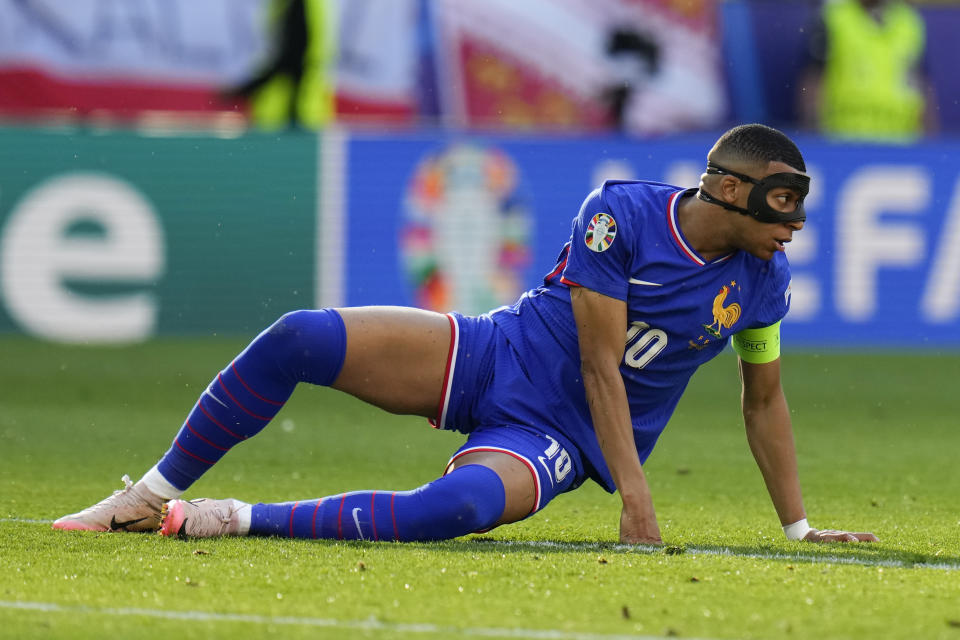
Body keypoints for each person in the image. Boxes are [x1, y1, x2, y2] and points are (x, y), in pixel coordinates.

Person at [53, 124, 877, 545]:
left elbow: (763, 402)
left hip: (558, 436)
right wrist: (636, 490)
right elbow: (598, 359)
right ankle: (146, 495)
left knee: (458, 507)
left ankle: (227, 518)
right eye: (782, 207)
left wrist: (798, 527)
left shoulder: (763, 283)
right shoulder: (619, 215)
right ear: (731, 188)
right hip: (497, 354)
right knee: (300, 335)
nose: (795, 227)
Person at [797, 0, 936, 142]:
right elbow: (813, 82)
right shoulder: (833, 17)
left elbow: (921, 86)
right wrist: (815, 138)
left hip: (901, 141)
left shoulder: (909, 22)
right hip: (843, 138)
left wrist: (928, 145)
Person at [220, 0, 337, 130]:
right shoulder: (286, 4)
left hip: (294, 116)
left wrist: (242, 91)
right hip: (289, 116)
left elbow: (290, 60)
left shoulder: (299, 6)